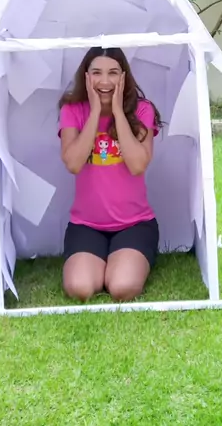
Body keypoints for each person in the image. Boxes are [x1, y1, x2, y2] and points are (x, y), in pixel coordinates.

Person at [59, 46, 161, 302]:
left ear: (123, 77)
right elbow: (73, 164)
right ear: (86, 76)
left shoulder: (143, 110)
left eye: (113, 73)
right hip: (85, 226)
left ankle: (121, 261)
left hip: (135, 225)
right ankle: (101, 261)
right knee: (80, 289)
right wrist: (95, 113)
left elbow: (138, 164)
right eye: (97, 73)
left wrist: (117, 111)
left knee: (122, 288)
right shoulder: (73, 110)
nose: (105, 81)